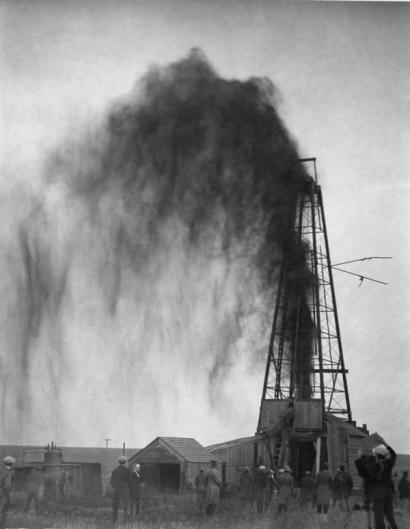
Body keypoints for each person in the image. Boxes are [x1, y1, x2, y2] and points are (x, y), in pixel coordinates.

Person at [355, 443, 398, 529]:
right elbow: (393, 455)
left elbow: (362, 472)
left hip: (378, 496)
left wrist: (359, 458)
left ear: (377, 455)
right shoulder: (389, 463)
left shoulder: (373, 467)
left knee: (379, 517)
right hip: (388, 494)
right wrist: (387, 446)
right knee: (390, 516)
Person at [110, 455, 131, 523]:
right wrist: (128, 488)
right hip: (125, 488)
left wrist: (115, 486)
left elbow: (112, 481)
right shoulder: (127, 470)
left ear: (118, 462)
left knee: (115, 503)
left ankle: (114, 518)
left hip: (117, 488)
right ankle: (125, 518)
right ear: (125, 462)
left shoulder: (115, 470)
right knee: (125, 503)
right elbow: (130, 481)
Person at [0, 456, 15, 529]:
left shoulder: (2, 470)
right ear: (11, 464)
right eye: (13, 464)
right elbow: (8, 486)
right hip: (3, 494)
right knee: (3, 512)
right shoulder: (9, 472)